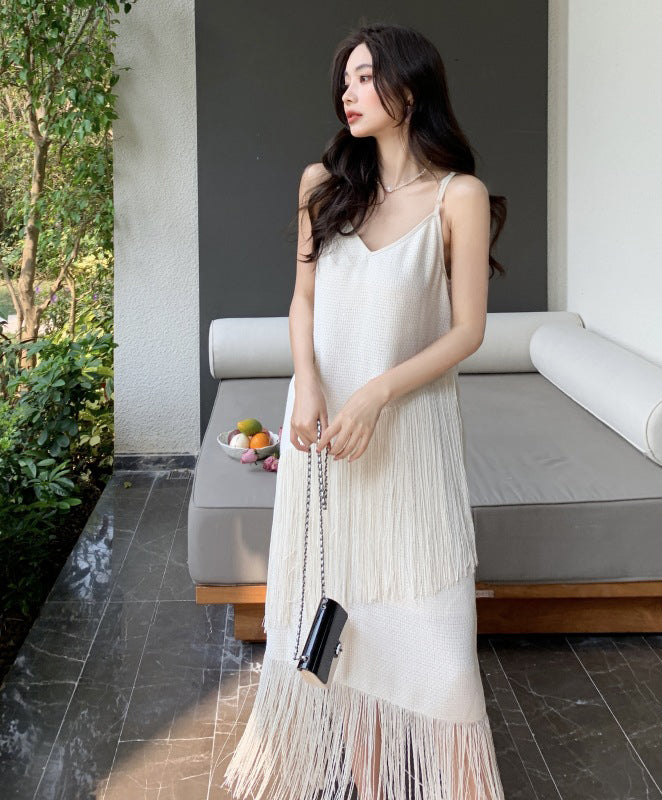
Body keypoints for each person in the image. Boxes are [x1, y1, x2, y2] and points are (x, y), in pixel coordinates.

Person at [223, 21, 508, 800]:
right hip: (324, 438)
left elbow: (468, 331)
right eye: (344, 80)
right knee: (342, 623)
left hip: (408, 435)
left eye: (363, 77)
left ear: (409, 89)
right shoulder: (322, 183)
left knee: (438, 652)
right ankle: (377, 784)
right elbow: (302, 300)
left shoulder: (457, 196)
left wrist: (377, 393)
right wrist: (308, 382)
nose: (347, 93)